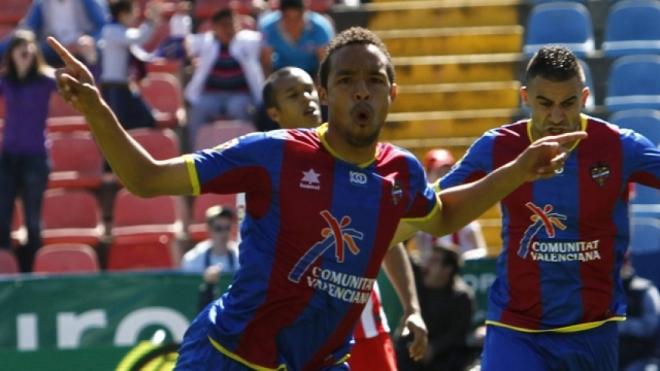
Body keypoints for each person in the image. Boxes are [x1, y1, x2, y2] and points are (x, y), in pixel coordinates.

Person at [48, 27, 583, 370]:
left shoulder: (401, 172)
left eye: (373, 80)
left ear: (391, 94)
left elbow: (442, 218)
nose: (360, 91)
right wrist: (96, 110)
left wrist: (518, 171)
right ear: (323, 94)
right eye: (346, 80)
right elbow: (147, 179)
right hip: (231, 358)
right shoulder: (271, 154)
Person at [440, 45, 660, 370]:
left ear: (584, 97)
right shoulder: (498, 146)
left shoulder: (619, 145)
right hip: (516, 329)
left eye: (568, 103)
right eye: (545, 104)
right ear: (525, 97)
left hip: (592, 331)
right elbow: (433, 204)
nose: (557, 117)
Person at [263, 66, 416, 371]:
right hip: (303, 330)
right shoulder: (263, 166)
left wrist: (412, 307)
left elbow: (386, 237)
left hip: (365, 326)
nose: (306, 99)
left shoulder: (358, 155)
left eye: (309, 90)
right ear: (274, 112)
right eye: (293, 95)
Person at [0, 30, 57, 272]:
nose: (25, 52)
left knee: (33, 222)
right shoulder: (5, 81)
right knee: (2, 218)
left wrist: (90, 59)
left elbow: (82, 85)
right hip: (8, 158)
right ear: (11, 53)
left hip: (35, 159)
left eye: (29, 48)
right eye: (19, 48)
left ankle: (30, 273)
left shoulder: (46, 80)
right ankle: (6, 269)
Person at [184, 8, 263, 148]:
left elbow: (265, 39)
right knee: (198, 109)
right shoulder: (207, 41)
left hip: (239, 95)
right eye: (223, 25)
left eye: (231, 24)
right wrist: (190, 58)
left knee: (239, 108)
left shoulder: (248, 40)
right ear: (215, 28)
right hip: (212, 95)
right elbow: (186, 43)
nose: (228, 29)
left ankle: (248, 150)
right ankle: (194, 153)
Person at [397, 243, 476, 371]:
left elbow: (457, 334)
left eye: (433, 261)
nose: (427, 265)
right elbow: (401, 251)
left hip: (443, 357)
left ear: (447, 269)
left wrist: (433, 348)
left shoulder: (462, 297)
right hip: (413, 350)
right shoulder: (418, 280)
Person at [413, 148, 488, 261]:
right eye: (439, 173)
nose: (445, 178)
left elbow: (482, 251)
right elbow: (421, 254)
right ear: (427, 175)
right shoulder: (420, 218)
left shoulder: (466, 216)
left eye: (448, 173)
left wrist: (459, 259)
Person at [98, 0, 162, 130]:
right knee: (118, 127)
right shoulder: (111, 30)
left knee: (146, 120)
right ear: (122, 14)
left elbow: (141, 53)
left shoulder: (118, 31)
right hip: (114, 87)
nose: (136, 15)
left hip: (123, 86)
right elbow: (137, 38)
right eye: (133, 12)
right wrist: (150, 22)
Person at [182, 205, 240, 311]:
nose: (224, 233)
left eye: (227, 228)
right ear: (209, 229)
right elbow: (188, 293)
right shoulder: (193, 258)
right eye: (218, 228)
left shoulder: (240, 255)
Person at [18, 0, 108, 66]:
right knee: (24, 50)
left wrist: (91, 40)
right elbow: (28, 30)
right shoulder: (41, 3)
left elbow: (104, 26)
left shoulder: (89, 2)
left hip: (83, 48)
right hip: (53, 48)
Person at [258, 0, 334, 78]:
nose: (293, 23)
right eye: (288, 18)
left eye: (297, 18)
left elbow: (323, 62)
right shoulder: (268, 27)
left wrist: (317, 87)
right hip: (281, 74)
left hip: (313, 72)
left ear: (305, 12)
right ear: (281, 14)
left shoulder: (320, 27)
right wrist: (272, 86)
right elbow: (266, 62)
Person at [619, 258, 660, 371]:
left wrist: (621, 326)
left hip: (642, 360)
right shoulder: (609, 292)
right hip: (613, 359)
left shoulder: (646, 290)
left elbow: (650, 327)